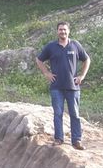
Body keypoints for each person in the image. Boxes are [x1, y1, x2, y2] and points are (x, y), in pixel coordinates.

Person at [36, 21, 90, 149]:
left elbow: (87, 59)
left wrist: (82, 76)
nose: (63, 32)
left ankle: (76, 141)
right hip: (56, 87)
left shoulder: (75, 45)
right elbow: (39, 59)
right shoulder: (51, 46)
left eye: (65, 30)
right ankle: (58, 139)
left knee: (75, 114)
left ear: (68, 31)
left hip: (73, 87)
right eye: (60, 30)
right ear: (57, 31)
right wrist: (46, 73)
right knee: (58, 113)